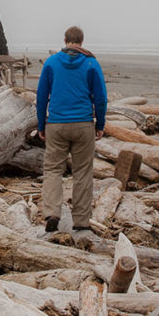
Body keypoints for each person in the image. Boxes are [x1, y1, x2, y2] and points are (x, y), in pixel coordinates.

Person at [36, 25, 108, 233]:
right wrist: (100, 124)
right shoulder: (91, 63)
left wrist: (42, 124)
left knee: (52, 169)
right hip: (83, 124)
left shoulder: (51, 63)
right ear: (81, 42)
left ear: (65, 40)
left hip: (56, 124)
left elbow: (41, 98)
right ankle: (81, 220)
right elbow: (101, 98)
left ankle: (52, 213)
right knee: (83, 172)